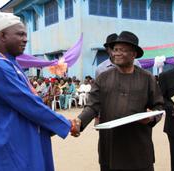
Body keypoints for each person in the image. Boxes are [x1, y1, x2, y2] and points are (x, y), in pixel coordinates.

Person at [0, 13, 74, 171]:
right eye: (20, 34)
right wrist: (66, 124)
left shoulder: (11, 63)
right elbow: (28, 103)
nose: (25, 39)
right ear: (2, 35)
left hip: (23, 138)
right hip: (12, 144)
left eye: (25, 35)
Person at [70, 31, 164, 171]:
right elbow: (92, 106)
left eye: (122, 50)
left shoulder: (147, 78)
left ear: (134, 54)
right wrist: (79, 121)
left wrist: (151, 118)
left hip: (139, 145)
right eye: (115, 49)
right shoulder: (103, 78)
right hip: (111, 145)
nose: (116, 53)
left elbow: (159, 106)